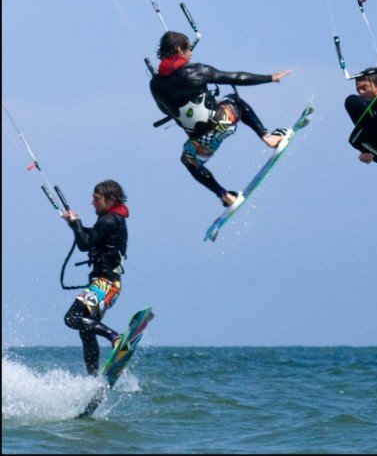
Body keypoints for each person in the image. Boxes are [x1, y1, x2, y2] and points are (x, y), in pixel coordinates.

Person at [149, 31, 292, 207]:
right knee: (234, 100)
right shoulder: (196, 70)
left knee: (188, 160)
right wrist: (269, 78)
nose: (191, 53)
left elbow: (164, 110)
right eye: (188, 49)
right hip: (224, 122)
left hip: (202, 142)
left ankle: (224, 195)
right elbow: (234, 77)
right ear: (179, 49)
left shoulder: (155, 85)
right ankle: (268, 137)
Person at [63, 180, 129, 376]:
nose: (92, 202)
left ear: (110, 199)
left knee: (72, 318)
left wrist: (76, 223)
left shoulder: (109, 220)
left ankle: (115, 337)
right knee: (86, 331)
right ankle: (93, 379)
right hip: (106, 283)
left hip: (105, 284)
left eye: (96, 198)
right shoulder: (114, 220)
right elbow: (92, 237)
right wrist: (75, 224)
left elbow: (84, 244)